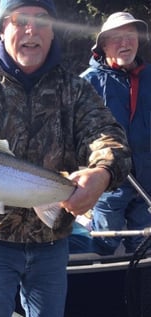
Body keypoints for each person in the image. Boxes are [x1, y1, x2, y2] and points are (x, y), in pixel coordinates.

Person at [0, 1, 131, 317]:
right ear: (3, 29)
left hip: (52, 240)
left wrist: (102, 173)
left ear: (52, 34)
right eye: (20, 20)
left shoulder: (76, 90)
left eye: (42, 21)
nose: (31, 29)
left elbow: (107, 135)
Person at [80, 12, 151, 255]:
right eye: (117, 38)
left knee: (143, 247)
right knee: (104, 243)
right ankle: (102, 285)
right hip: (110, 184)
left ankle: (138, 289)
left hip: (147, 183)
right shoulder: (87, 83)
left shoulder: (150, 77)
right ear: (104, 45)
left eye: (130, 36)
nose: (125, 43)